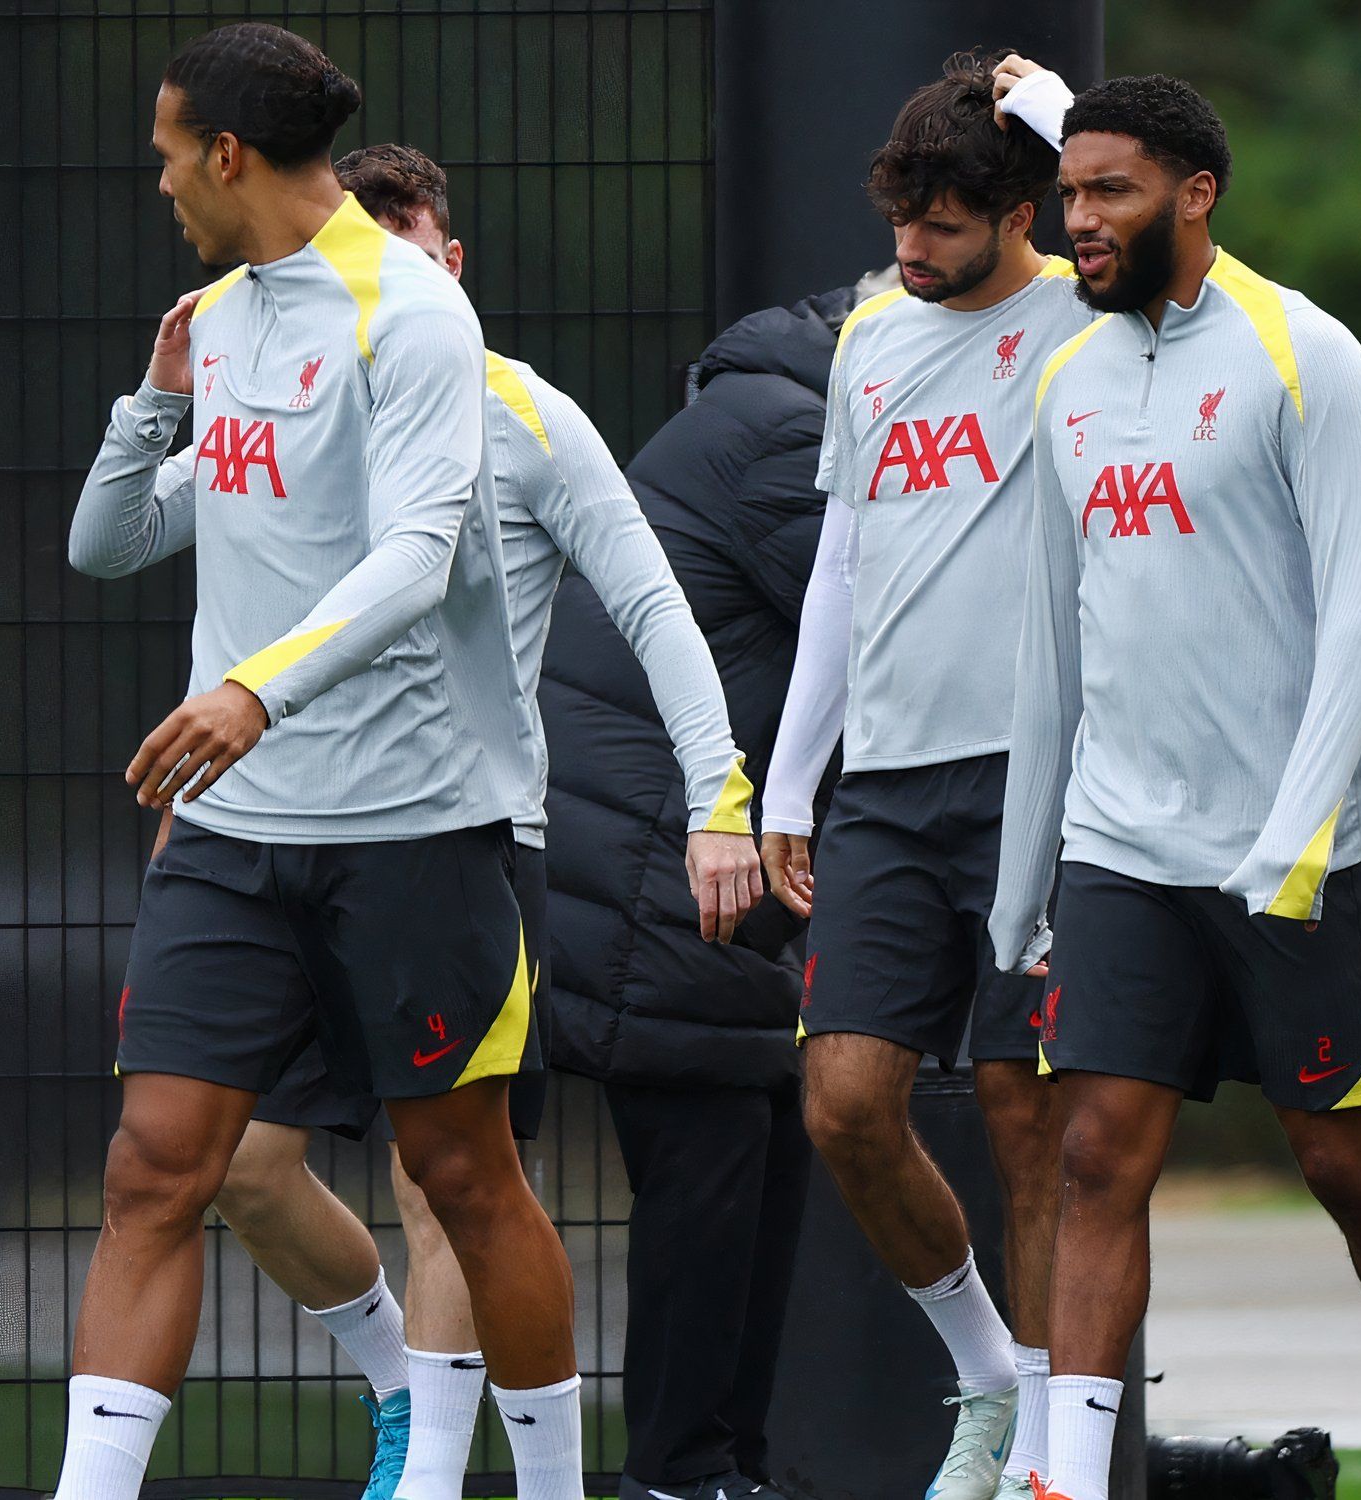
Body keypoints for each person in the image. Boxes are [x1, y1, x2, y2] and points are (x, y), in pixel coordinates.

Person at [172, 142, 764, 1500]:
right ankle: (398, 1386)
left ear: (454, 263)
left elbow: (659, 608)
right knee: (241, 1169)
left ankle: (433, 1477)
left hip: (454, 848)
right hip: (277, 842)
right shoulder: (284, 397)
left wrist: (721, 797)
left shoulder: (526, 417)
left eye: (417, 248)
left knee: (451, 1178)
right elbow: (233, 607)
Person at [56, 26, 588, 1500]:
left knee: (471, 1183)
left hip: (416, 829)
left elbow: (419, 554)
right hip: (232, 834)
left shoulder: (414, 317)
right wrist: (153, 398)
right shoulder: (218, 321)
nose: (159, 181)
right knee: (157, 1167)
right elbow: (106, 544)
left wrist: (256, 692)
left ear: (226, 156)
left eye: (169, 154)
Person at [989, 72, 1361, 1500]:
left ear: (1195, 196)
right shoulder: (1069, 379)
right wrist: (1019, 888)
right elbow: (1051, 645)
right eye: (1069, 192)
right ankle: (1073, 1482)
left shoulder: (1307, 355)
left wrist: (1297, 837)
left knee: (1344, 1166)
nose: (1075, 220)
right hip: (1123, 846)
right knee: (1098, 1152)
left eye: (1109, 193)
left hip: (1303, 852)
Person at [753, 50, 1092, 1500]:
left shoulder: (1096, 319)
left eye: (948, 221)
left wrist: (1069, 122)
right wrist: (787, 782)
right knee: (842, 1101)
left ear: (1025, 212)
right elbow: (841, 559)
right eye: (904, 215)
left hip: (1041, 778)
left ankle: (1059, 1465)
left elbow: (1199, 263)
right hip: (884, 788)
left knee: (1029, 1112)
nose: (912, 246)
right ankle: (993, 1379)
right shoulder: (873, 335)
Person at [534, 278, 886, 1500]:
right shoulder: (788, 433)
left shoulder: (772, 406)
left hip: (676, 846)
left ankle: (720, 1466)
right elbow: (905, 622)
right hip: (655, 858)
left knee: (755, 1149)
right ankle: (681, 1473)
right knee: (712, 1161)